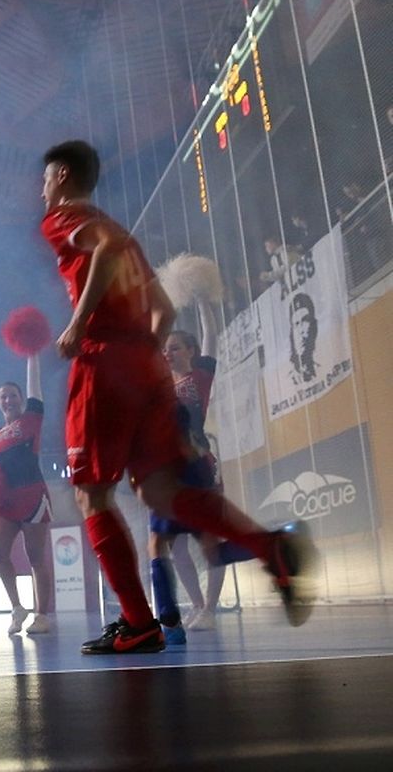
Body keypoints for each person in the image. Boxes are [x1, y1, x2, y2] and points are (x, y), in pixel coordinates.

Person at [38, 139, 314, 655]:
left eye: (47, 177)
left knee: (92, 494)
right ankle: (270, 546)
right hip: (146, 367)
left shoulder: (66, 216)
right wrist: (145, 357)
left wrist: (79, 325)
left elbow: (106, 246)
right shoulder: (132, 242)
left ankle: (139, 623)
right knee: (160, 492)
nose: (43, 187)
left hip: (106, 363)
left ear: (63, 176)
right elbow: (164, 309)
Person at [149, 300, 224, 640]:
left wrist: (203, 297)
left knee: (209, 539)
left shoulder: (200, 376)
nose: (169, 354)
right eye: (166, 349)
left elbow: (212, 334)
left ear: (191, 351)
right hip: (172, 472)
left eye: (175, 348)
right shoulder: (162, 387)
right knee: (176, 546)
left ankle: (211, 606)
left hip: (201, 467)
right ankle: (196, 604)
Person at [0, 351, 54, 635]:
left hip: (33, 495)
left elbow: (35, 384)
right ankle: (17, 607)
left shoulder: (31, 419)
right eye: (3, 397)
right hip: (7, 499)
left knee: (36, 556)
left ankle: (42, 615)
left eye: (13, 395)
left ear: (22, 399)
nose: (8, 400)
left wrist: (32, 353)